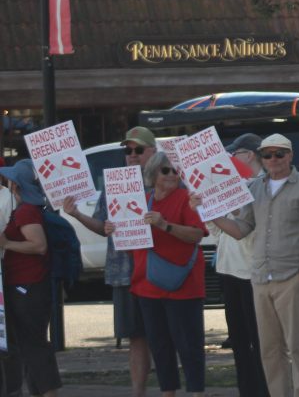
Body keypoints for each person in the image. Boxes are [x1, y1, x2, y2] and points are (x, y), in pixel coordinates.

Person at [197, 134, 299, 397]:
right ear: (261, 158)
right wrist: (211, 211)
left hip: (291, 275)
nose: (274, 159)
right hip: (260, 278)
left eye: (279, 154)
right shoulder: (255, 189)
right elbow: (242, 228)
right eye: (268, 155)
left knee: (297, 347)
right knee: (269, 348)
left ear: (290, 155)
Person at [61, 126, 155, 397]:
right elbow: (103, 225)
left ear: (153, 151)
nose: (133, 155)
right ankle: (138, 392)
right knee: (135, 337)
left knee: (163, 336)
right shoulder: (116, 184)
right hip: (124, 272)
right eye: (128, 150)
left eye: (139, 150)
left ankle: (169, 389)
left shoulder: (166, 179)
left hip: (156, 271)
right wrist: (76, 214)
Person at [125, 152, 208, 397]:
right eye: (165, 170)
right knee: (160, 346)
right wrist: (113, 228)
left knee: (189, 346)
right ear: (152, 173)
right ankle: (167, 392)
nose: (172, 174)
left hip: (183, 285)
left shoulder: (186, 198)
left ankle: (196, 392)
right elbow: (125, 236)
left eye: (175, 170)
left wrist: (164, 225)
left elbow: (197, 234)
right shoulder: (141, 200)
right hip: (146, 285)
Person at [0, 160, 62, 397]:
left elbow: (39, 246)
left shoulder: (26, 211)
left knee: (35, 346)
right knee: (29, 346)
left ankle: (48, 392)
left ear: (15, 185)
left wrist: (7, 243)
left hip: (29, 286)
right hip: (24, 285)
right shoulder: (25, 208)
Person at [215, 134, 270, 397]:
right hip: (228, 270)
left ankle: (263, 389)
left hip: (251, 273)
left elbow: (253, 228)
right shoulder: (231, 186)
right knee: (238, 339)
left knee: (258, 339)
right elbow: (218, 233)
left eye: (234, 154)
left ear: (249, 155)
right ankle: (245, 389)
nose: (231, 160)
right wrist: (209, 211)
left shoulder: (261, 186)